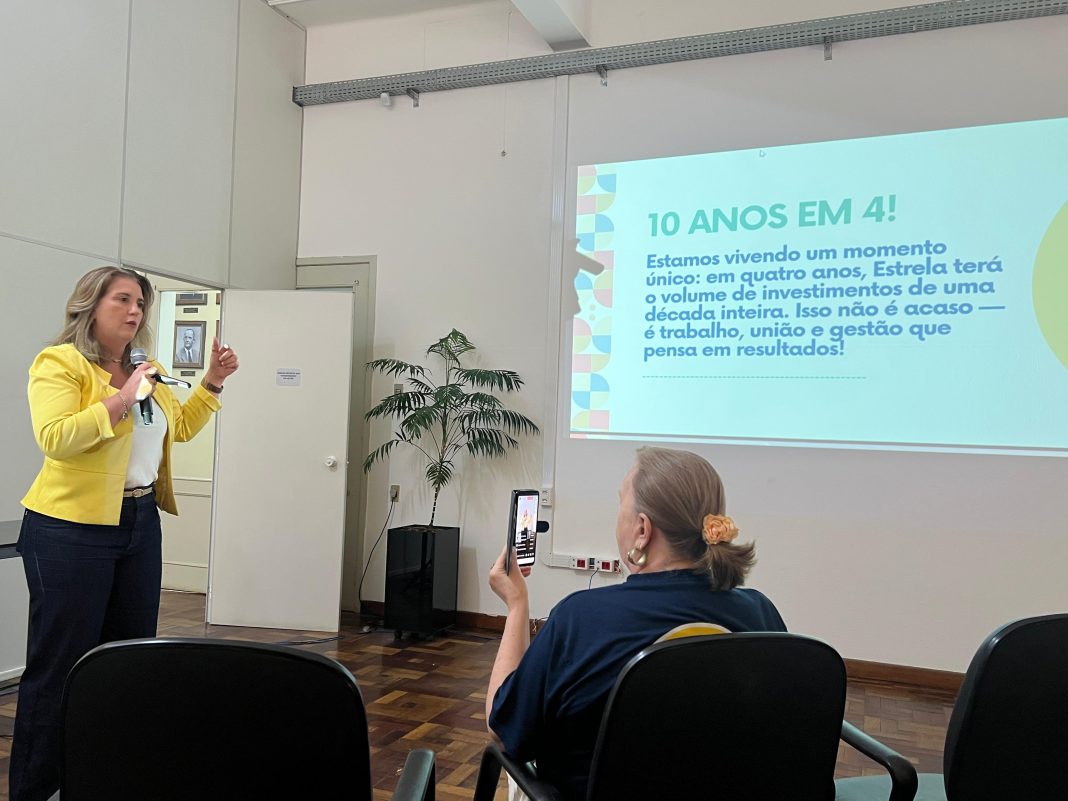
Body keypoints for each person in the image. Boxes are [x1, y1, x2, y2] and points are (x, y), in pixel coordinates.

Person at [10, 266, 239, 801]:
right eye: (123, 300)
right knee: (60, 666)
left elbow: (179, 428)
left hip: (138, 523)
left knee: (127, 662)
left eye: (141, 303)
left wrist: (212, 382)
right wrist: (122, 397)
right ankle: (37, 790)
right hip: (69, 530)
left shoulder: (146, 369)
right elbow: (56, 437)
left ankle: (105, 779)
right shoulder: (60, 363)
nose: (135, 311)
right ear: (90, 305)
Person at [485, 447, 786, 801]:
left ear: (643, 529)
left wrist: (517, 605)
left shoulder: (581, 620)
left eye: (620, 503)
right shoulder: (760, 614)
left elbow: (503, 730)